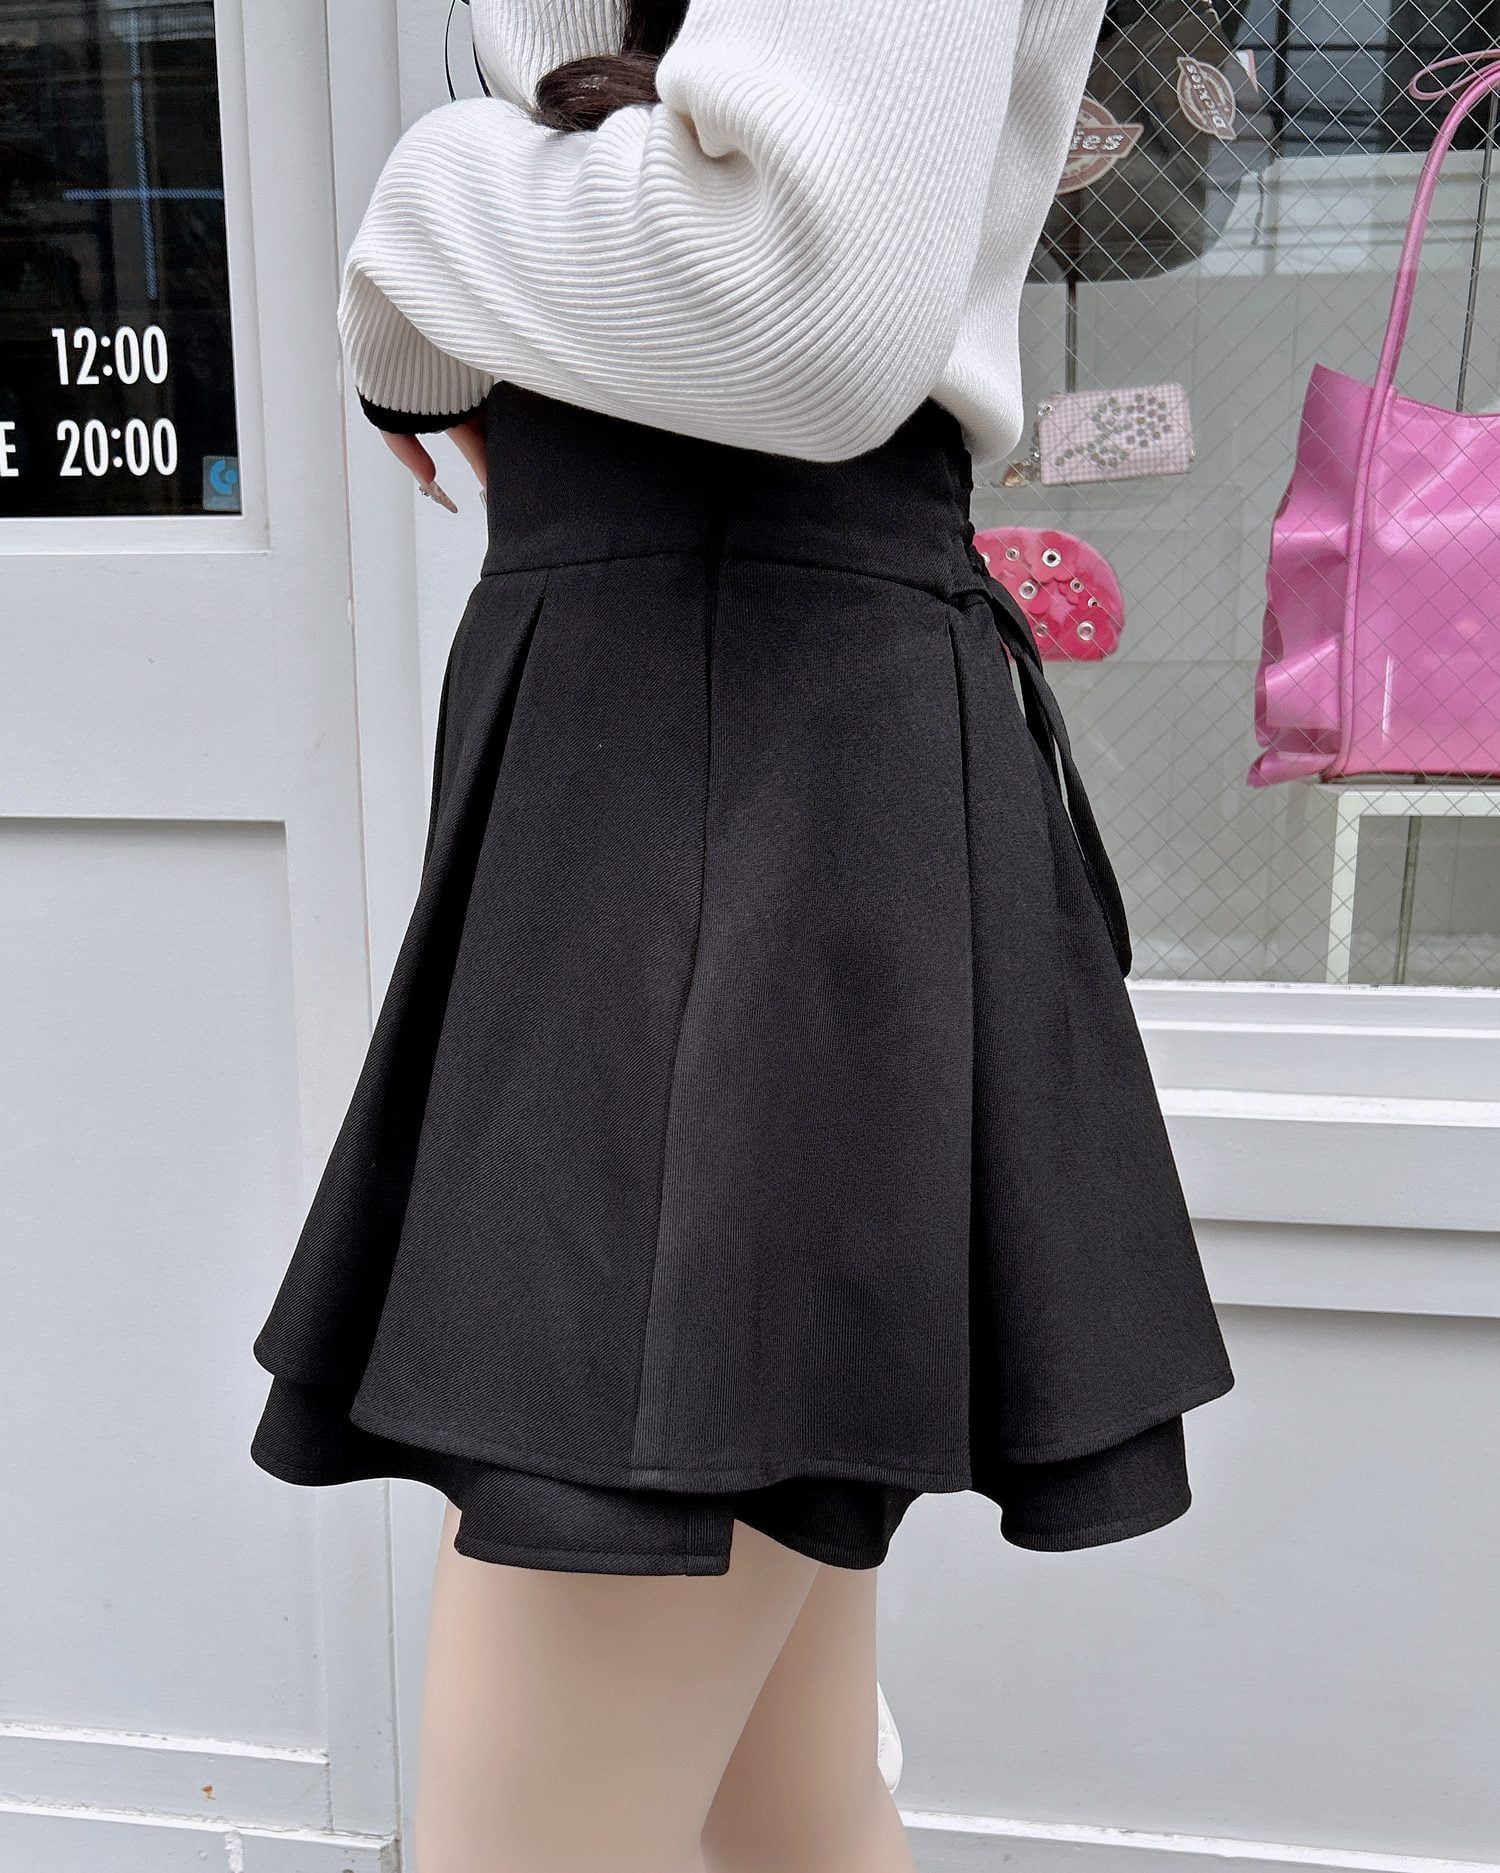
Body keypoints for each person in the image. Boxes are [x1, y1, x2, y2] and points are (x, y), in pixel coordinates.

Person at [250, 0, 1236, 1866]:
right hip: (681, 748)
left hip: (740, 759)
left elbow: (802, 295)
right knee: (788, 1804)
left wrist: (419, 220)